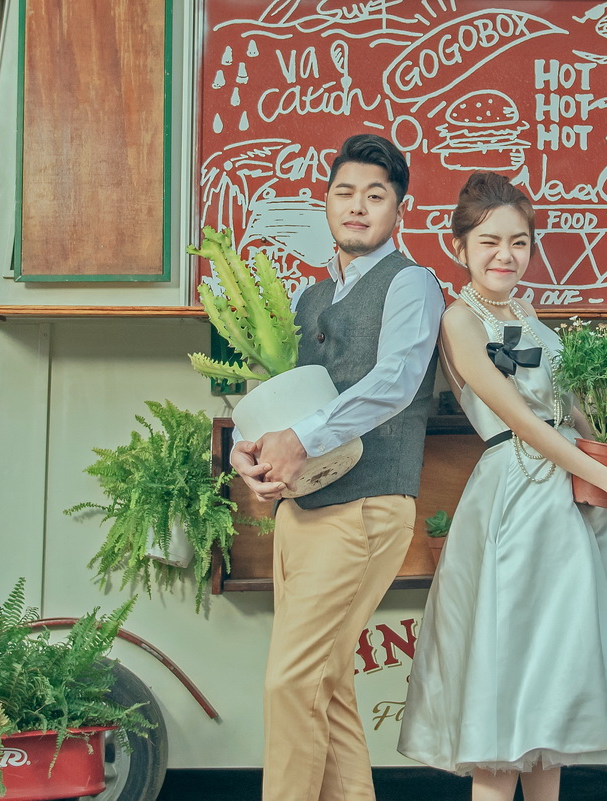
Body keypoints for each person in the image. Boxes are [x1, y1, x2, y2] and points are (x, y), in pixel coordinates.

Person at [397, 172, 607, 801]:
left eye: (519, 242)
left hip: (567, 500)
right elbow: (524, 424)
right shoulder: (458, 321)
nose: (505, 255)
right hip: (516, 497)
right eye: (489, 242)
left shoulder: (528, 315)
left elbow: (569, 413)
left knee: (550, 691)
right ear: (459, 247)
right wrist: (605, 477)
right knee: (508, 686)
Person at [231, 134, 444, 801]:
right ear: (325, 203)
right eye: (345, 193)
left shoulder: (411, 283)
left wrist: (300, 437)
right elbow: (281, 396)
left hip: (367, 506)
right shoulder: (310, 296)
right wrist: (248, 445)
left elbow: (396, 381)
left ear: (400, 210)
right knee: (327, 683)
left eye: (375, 196)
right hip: (302, 511)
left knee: (291, 682)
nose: (357, 206)